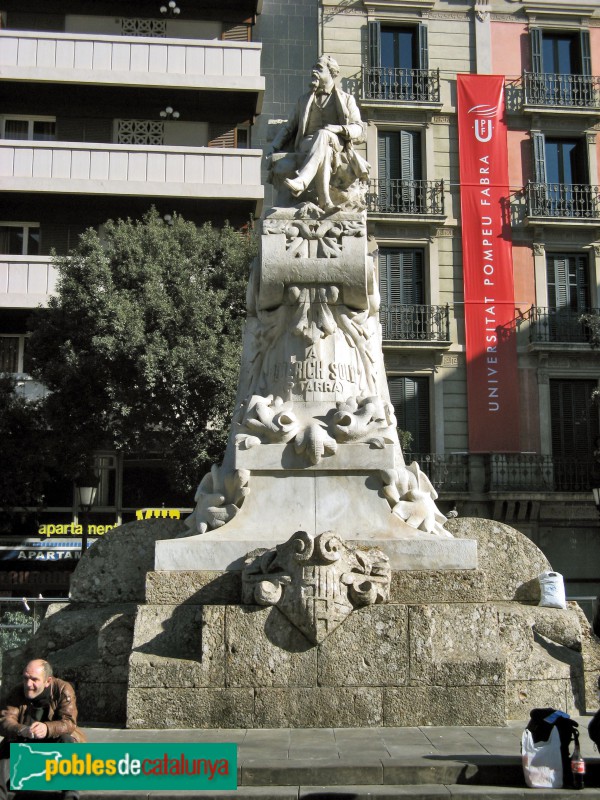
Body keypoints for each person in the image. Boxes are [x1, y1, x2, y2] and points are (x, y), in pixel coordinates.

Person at [268, 54, 369, 212]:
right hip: (308, 144)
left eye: (319, 68)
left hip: (337, 143)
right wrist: (274, 146)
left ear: (331, 72)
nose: (314, 71)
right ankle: (325, 202)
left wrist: (337, 129)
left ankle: (302, 180)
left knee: (324, 135)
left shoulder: (346, 99)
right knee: (324, 146)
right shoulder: (303, 100)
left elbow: (359, 128)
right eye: (313, 68)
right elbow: (289, 127)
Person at [0, 659, 86, 800]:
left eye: (34, 680)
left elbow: (69, 722)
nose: (28, 684)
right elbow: (5, 721)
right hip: (27, 740)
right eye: (25, 678)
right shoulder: (17, 692)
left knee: (67, 740)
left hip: (54, 740)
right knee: (7, 745)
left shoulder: (63, 690)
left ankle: (71, 794)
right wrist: (21, 729)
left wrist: (47, 728)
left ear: (48, 681)